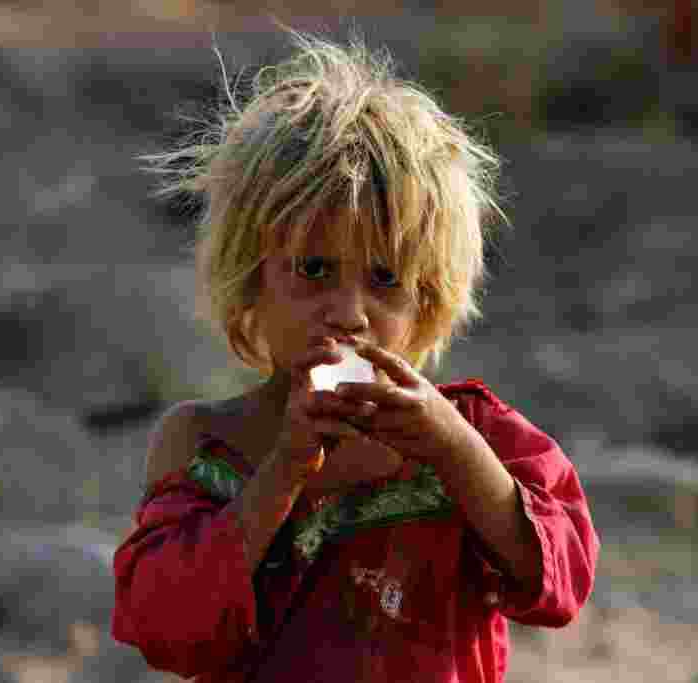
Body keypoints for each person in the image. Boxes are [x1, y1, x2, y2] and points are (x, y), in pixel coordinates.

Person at [111, 26, 600, 683]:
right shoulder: (207, 446)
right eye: (314, 270)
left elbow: (563, 582)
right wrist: (283, 468)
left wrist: (453, 449)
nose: (348, 311)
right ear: (252, 279)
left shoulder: (473, 438)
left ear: (426, 300)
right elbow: (164, 628)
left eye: (384, 279)